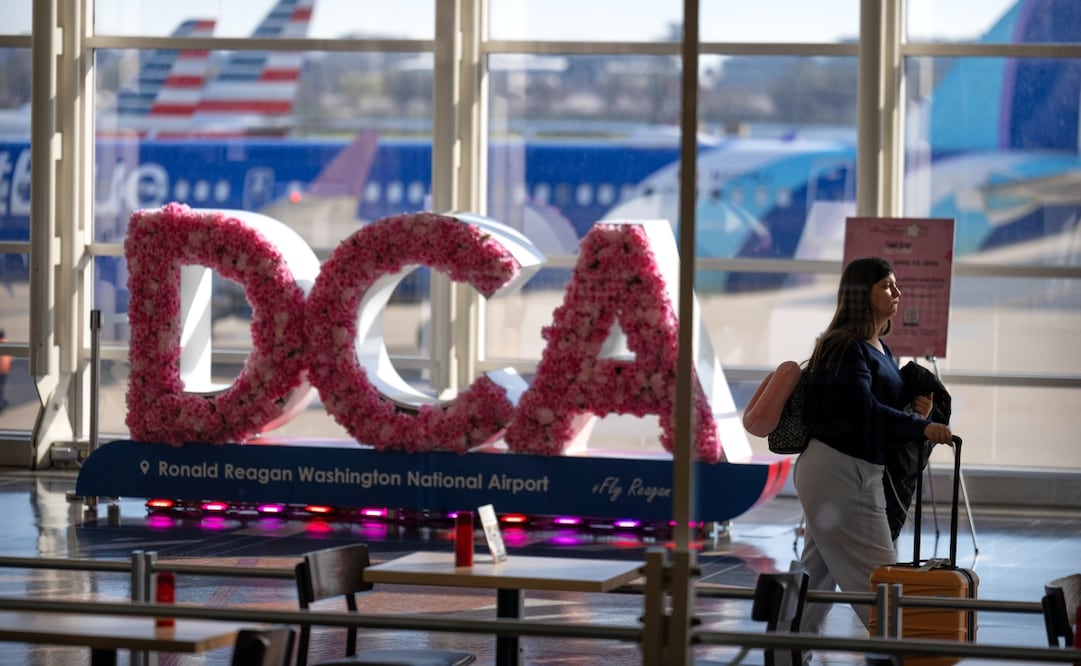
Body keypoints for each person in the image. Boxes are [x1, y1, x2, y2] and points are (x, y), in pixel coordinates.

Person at [794, 256, 953, 637]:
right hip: (843, 473)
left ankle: (786, 652)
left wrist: (918, 412)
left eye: (895, 285)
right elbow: (862, 411)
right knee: (883, 577)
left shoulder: (876, 345)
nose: (897, 292)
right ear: (860, 294)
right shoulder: (846, 348)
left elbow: (872, 408)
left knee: (816, 575)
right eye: (886, 285)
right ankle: (902, 652)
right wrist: (920, 427)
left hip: (843, 471)